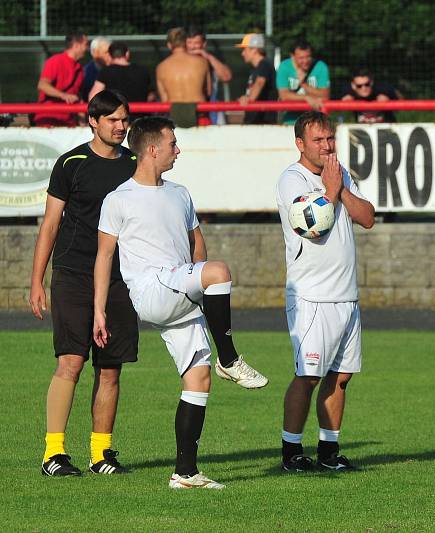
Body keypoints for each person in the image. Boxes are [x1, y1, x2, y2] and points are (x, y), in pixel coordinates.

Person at [93, 116, 268, 489]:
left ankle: (185, 473)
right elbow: (104, 257)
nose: (178, 150)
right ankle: (230, 358)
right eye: (173, 144)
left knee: (197, 379)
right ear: (152, 149)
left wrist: (199, 275)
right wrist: (98, 309)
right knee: (220, 271)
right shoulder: (118, 199)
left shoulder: (180, 193)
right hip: (152, 290)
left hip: (179, 286)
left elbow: (196, 245)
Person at [30, 90, 139, 477]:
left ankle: (101, 454)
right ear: (93, 121)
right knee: (71, 362)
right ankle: (53, 454)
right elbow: (51, 225)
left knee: (110, 368)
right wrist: (37, 280)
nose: (121, 127)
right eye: (112, 120)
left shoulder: (135, 164)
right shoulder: (71, 163)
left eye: (125, 119)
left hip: (119, 279)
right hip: (73, 275)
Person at [275, 111, 375, 472]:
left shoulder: (340, 173)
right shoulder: (291, 179)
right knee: (309, 375)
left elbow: (367, 217)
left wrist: (341, 188)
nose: (327, 146)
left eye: (330, 138)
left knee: (341, 376)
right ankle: (291, 452)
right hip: (312, 295)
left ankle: (329, 452)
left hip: (346, 293)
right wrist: (331, 190)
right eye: (318, 140)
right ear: (300, 144)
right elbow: (311, 227)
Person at [156, 27, 212, 125]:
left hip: (174, 117)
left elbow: (164, 100)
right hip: (199, 115)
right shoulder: (202, 62)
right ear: (186, 42)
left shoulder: (161, 67)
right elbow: (209, 91)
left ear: (169, 45)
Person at [33, 32, 89, 127]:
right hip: (49, 120)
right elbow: (42, 85)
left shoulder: (79, 68)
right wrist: (63, 95)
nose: (87, 48)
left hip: (68, 122)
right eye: (86, 45)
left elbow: (77, 98)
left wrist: (82, 122)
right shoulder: (56, 61)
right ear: (76, 45)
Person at [89, 42, 155, 117]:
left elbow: (93, 96)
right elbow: (151, 96)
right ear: (127, 54)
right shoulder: (143, 71)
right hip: (141, 118)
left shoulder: (106, 72)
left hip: (117, 118)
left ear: (110, 56)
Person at [276, 40, 331, 125]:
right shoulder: (284, 67)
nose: (305, 61)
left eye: (308, 57)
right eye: (301, 58)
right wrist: (306, 98)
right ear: (292, 56)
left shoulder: (320, 67)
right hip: (291, 122)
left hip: (316, 122)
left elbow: (325, 95)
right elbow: (284, 96)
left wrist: (303, 84)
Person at [186, 27, 233, 125]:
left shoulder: (211, 60)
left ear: (204, 44)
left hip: (212, 112)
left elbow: (227, 77)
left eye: (196, 43)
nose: (192, 47)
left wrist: (207, 57)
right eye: (189, 43)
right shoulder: (179, 62)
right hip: (187, 112)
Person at [236, 33, 277, 124]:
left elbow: (260, 82)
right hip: (257, 120)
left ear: (254, 49)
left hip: (262, 121)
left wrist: (248, 99)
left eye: (244, 49)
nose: (242, 53)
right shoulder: (259, 67)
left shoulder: (264, 64)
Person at [80, 37, 111, 102]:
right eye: (106, 52)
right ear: (94, 53)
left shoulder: (115, 70)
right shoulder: (85, 73)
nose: (110, 56)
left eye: (111, 52)